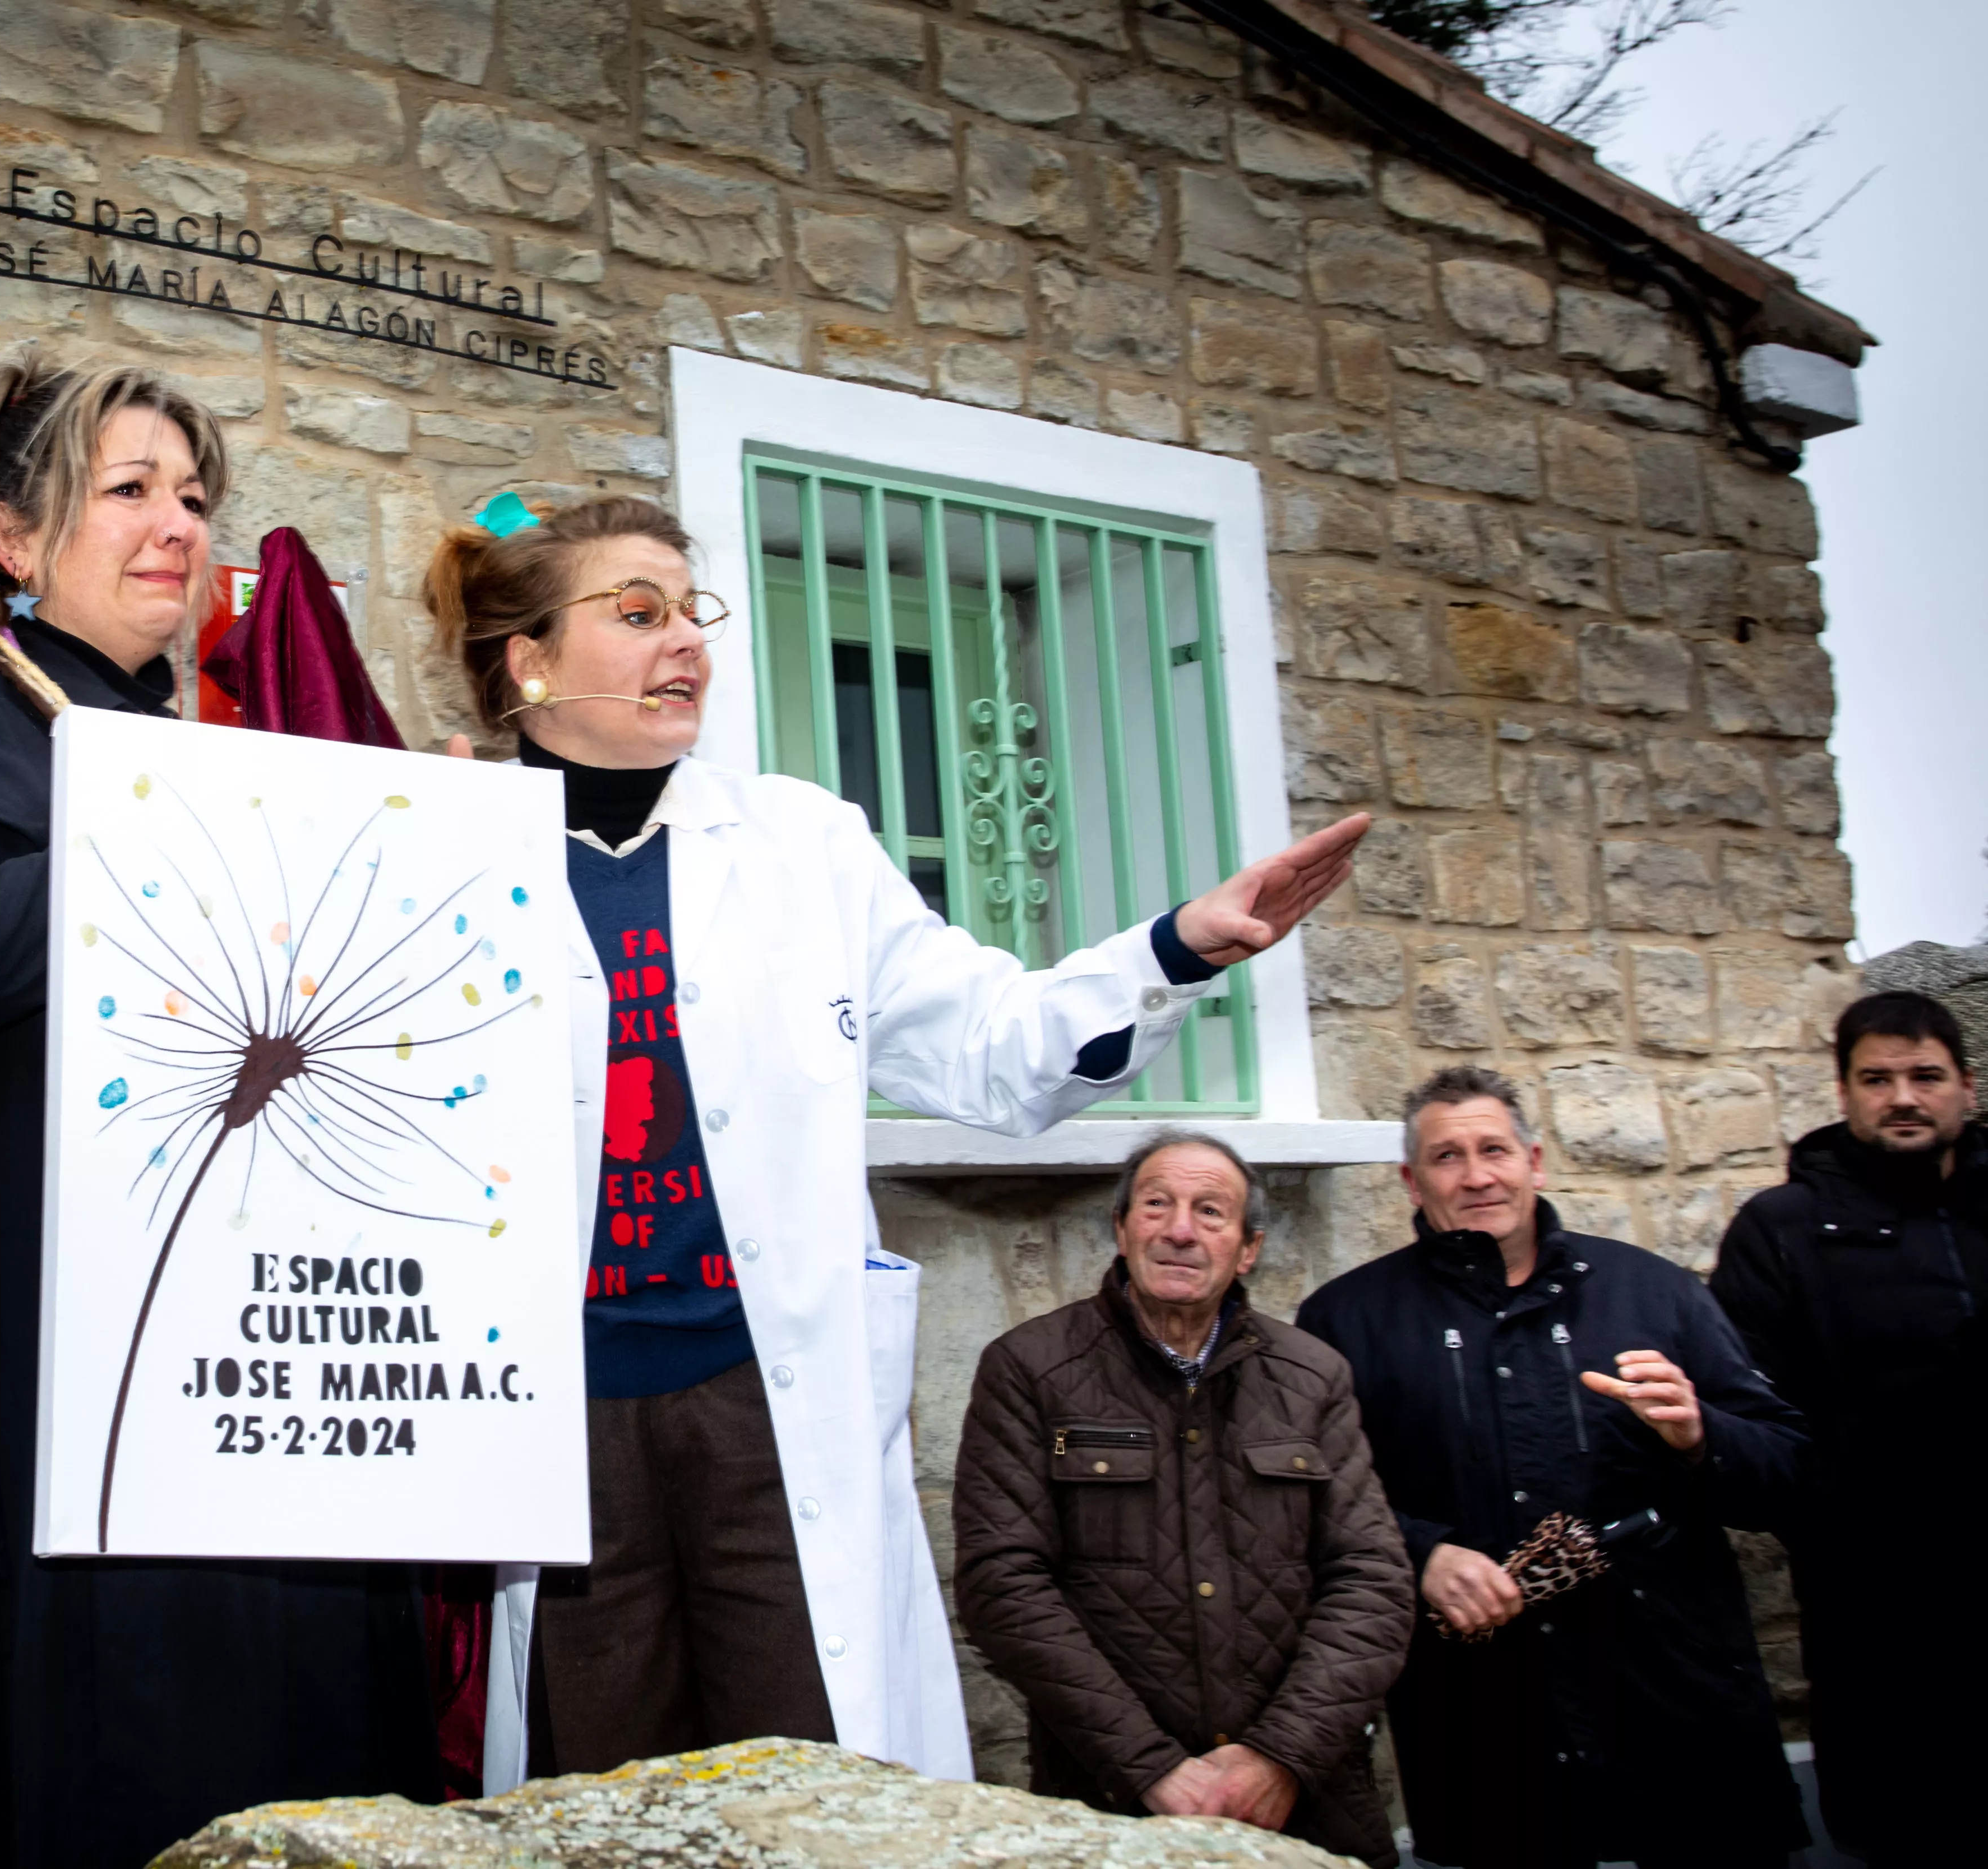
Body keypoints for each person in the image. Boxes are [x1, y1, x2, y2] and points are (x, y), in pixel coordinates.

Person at [424, 495, 1372, 1789]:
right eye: (635, 615)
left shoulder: (803, 845)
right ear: (529, 660)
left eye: (692, 613)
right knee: (591, 1780)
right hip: (549, 1412)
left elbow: (998, 1044)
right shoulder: (429, 852)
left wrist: (1179, 947)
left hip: (762, 1393)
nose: (685, 644)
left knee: (809, 1769)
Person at [0, 357, 440, 1867]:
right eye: (131, 490)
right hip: (25, 1407)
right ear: (15, 540)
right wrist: (159, 852)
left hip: (230, 1371)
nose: (178, 526)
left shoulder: (192, 748)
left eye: (196, 496)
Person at [1298, 1067, 1809, 1869]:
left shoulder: (1656, 1292)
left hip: (1676, 1699)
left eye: (1494, 1149)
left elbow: (1789, 1475)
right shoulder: (1344, 1319)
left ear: (1535, 1161)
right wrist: (1420, 1553)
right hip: (1490, 1724)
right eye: (1448, 1156)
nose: (1476, 1176)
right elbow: (1316, 1498)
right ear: (1410, 1179)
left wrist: (1701, 1433)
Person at [954, 1133, 1413, 1865]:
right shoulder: (1030, 1370)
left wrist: (1280, 1757)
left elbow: (1374, 1583)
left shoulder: (1314, 1375)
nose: (1179, 1230)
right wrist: (1149, 1767)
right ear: (1122, 1227)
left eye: (1210, 1212)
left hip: (1307, 1805)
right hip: (1106, 1804)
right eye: (1157, 1205)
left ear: (1249, 1247)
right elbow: (1001, 1586)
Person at [1710, 990, 1986, 1867]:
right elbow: (1749, 1408)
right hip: (1877, 1614)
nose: (1902, 1096)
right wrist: (1840, 1524)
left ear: (1967, 1088)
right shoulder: (1781, 1232)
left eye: (1925, 1076)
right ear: (1843, 1091)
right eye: (1878, 1078)